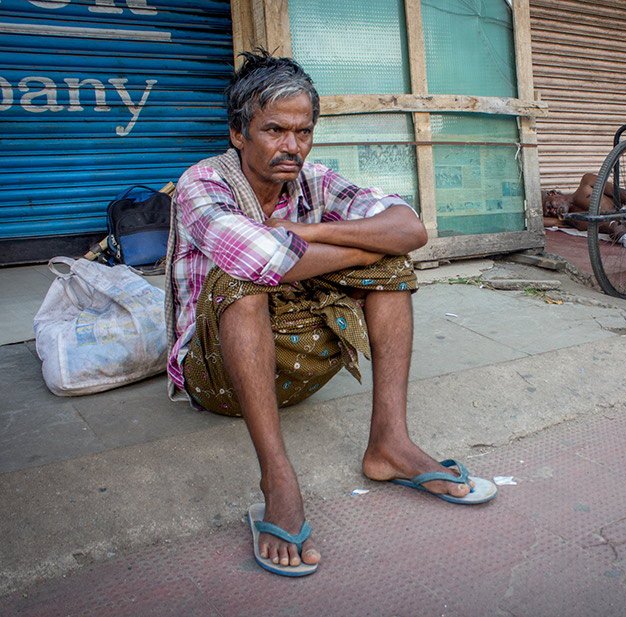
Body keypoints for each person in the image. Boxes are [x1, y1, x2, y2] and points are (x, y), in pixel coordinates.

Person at [164, 50, 496, 577]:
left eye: (303, 131)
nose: (291, 147)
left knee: (392, 261)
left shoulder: (313, 179)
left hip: (299, 362)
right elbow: (260, 258)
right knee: (241, 277)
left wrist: (310, 232)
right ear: (237, 133)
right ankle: (278, 479)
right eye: (274, 130)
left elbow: (410, 228)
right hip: (221, 379)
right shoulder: (201, 184)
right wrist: (361, 245)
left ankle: (390, 444)